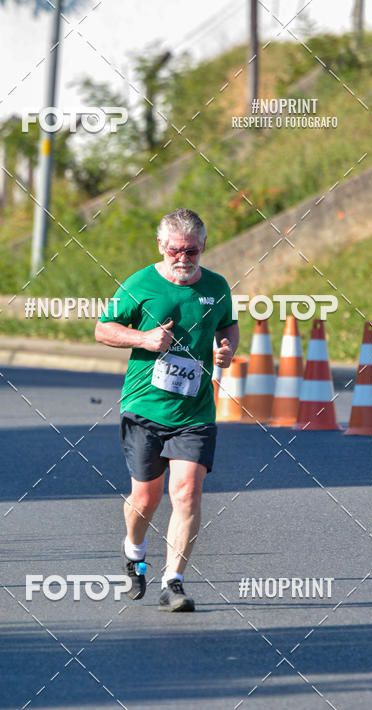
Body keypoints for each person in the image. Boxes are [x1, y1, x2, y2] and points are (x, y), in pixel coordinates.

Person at [95, 208, 239, 612]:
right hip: (144, 406)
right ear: (161, 246)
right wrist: (142, 338)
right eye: (175, 250)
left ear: (203, 247)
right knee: (145, 497)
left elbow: (228, 324)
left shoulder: (216, 285)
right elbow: (103, 329)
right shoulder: (140, 284)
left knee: (188, 492)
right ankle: (133, 551)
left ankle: (173, 582)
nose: (183, 259)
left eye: (191, 251)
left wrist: (227, 348)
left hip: (195, 411)